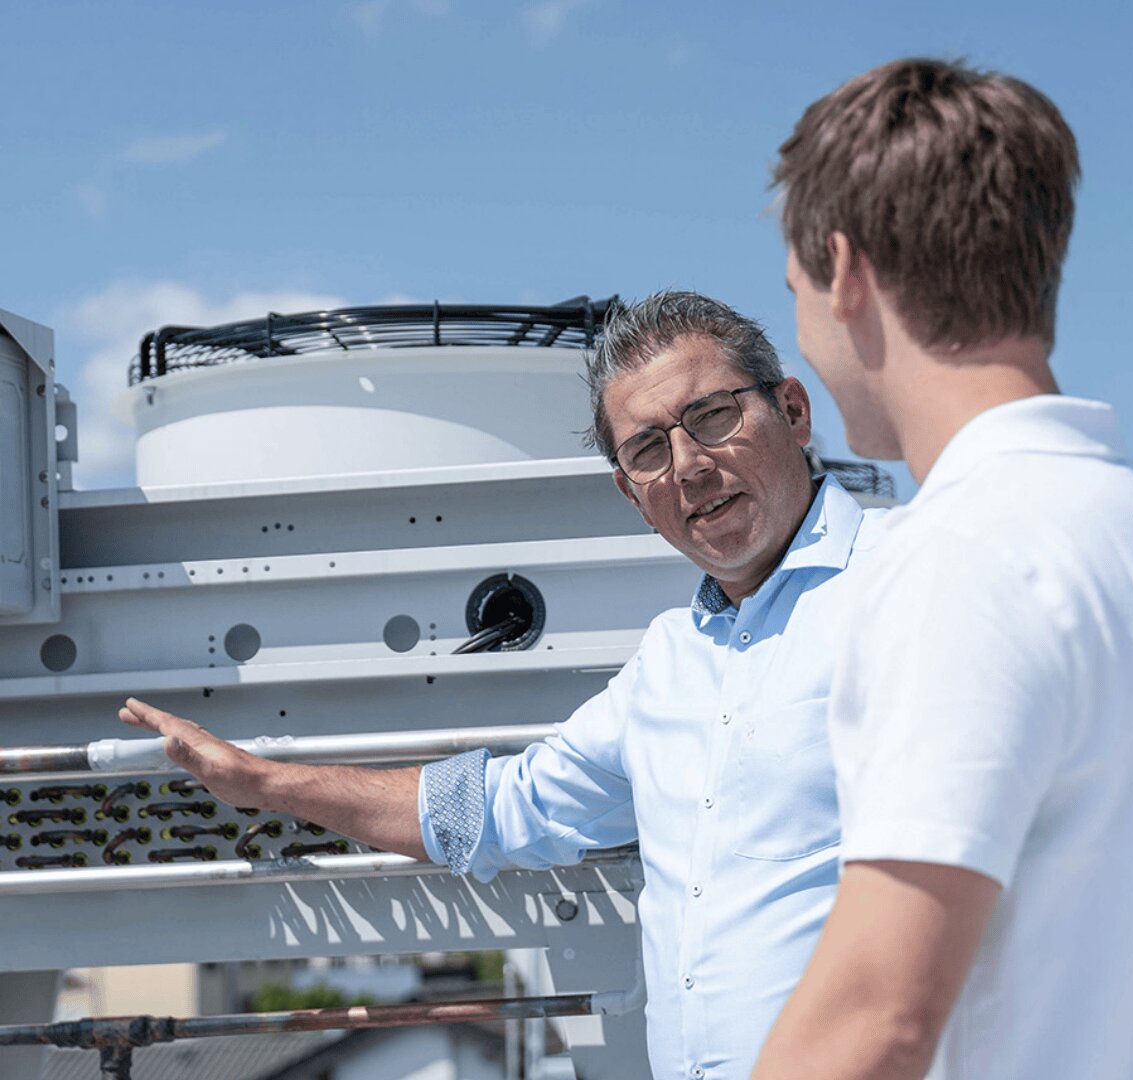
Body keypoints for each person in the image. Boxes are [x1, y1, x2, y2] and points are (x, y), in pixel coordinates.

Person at [118, 290, 886, 1080]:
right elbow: (500, 807)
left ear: (791, 410)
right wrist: (265, 781)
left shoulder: (909, 582)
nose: (688, 465)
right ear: (631, 494)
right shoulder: (670, 665)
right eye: (648, 449)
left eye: (714, 416)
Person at [750, 59, 1133, 1079]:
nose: (805, 340)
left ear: (844, 267)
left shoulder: (962, 557)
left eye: (796, 295)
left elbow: (874, 1022)